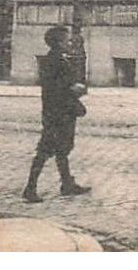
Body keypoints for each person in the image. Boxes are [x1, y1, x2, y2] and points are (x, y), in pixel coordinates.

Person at [22, 25, 91, 202]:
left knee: (62, 149)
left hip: (61, 111)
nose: (70, 43)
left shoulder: (57, 58)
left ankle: (67, 183)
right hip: (57, 113)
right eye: (67, 40)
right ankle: (30, 188)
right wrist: (75, 90)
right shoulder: (54, 61)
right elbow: (56, 88)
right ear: (59, 42)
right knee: (45, 150)